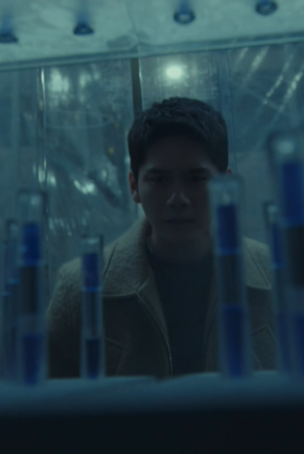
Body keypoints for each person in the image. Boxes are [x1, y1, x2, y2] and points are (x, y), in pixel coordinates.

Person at [47, 97, 276, 379]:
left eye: (196, 178)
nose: (177, 199)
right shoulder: (80, 289)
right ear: (134, 186)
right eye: (159, 180)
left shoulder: (275, 277)